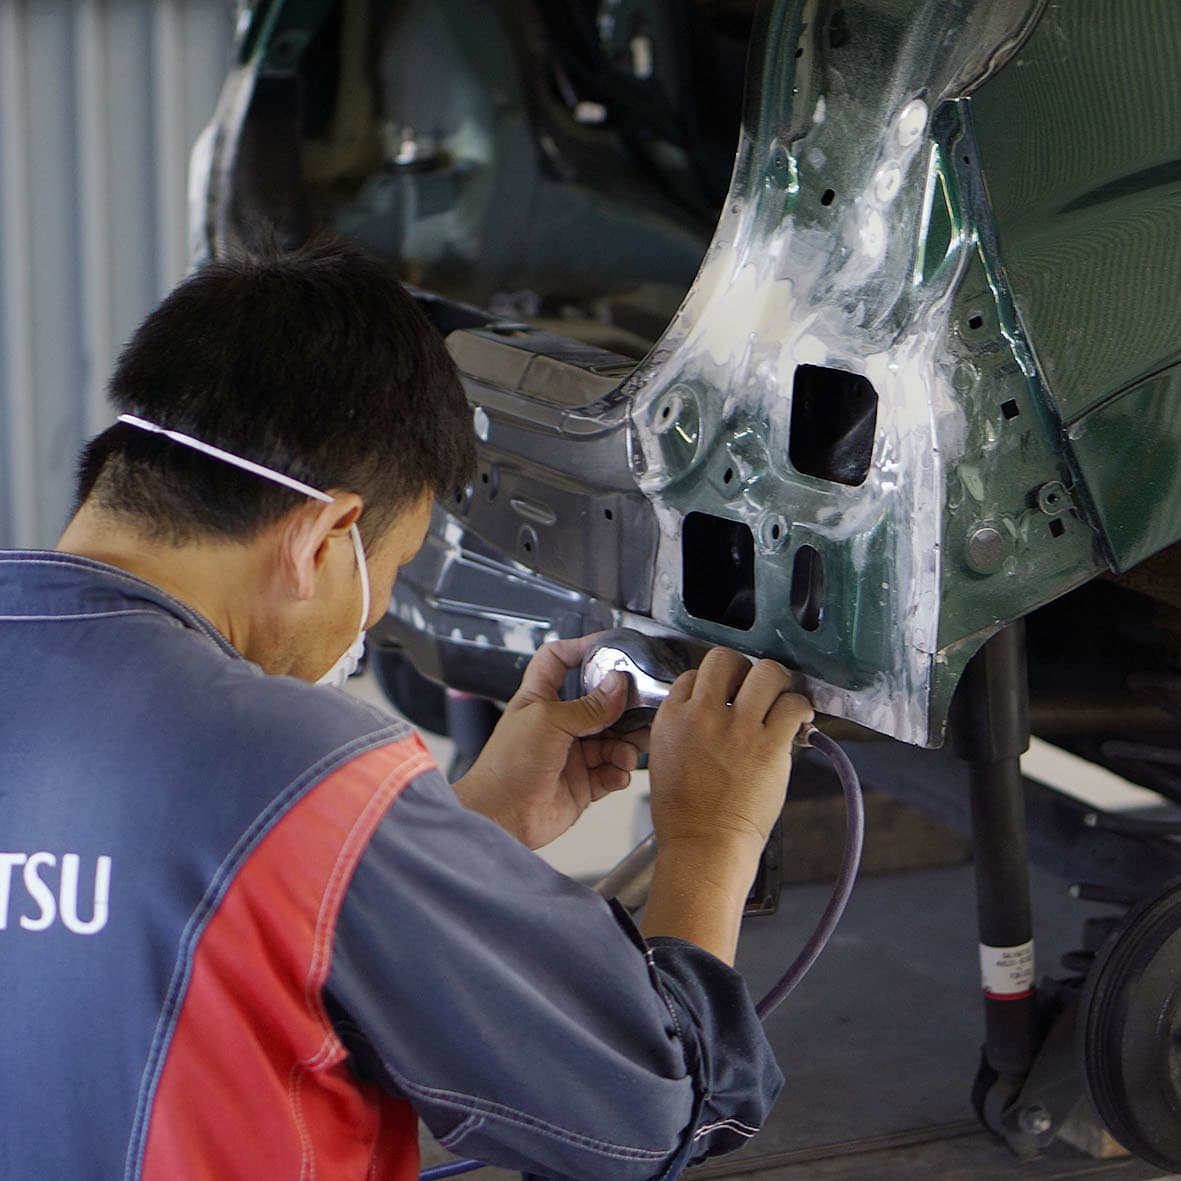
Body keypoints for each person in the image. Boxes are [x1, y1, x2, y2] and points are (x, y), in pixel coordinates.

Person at [0, 236, 813, 1180]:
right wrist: (710, 838)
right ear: (324, 535)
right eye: (387, 567)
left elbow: (187, 914)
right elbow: (644, 1119)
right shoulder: (294, 764)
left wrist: (471, 826)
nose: (378, 606)